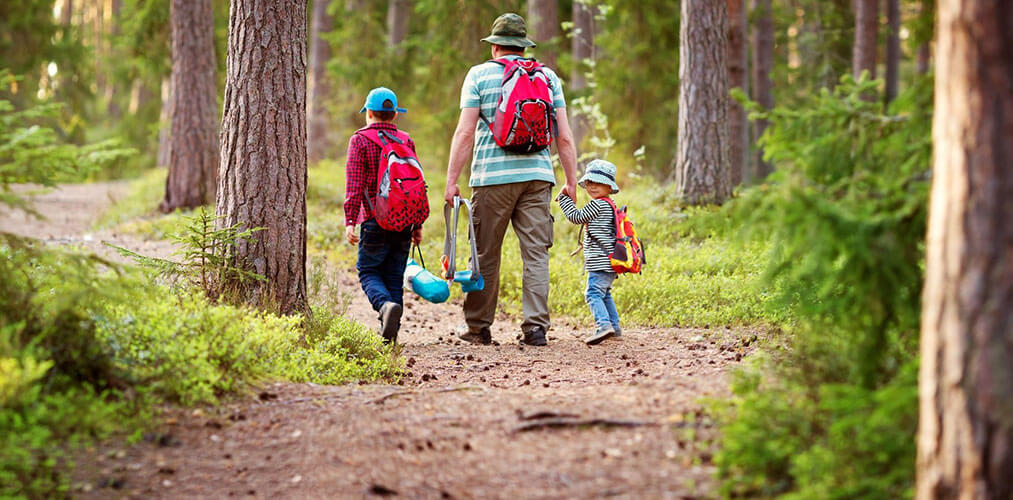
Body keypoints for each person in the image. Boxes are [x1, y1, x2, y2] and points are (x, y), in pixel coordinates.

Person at [444, 12, 579, 347]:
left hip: (492, 179)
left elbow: (465, 133)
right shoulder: (548, 77)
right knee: (536, 254)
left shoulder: (478, 75)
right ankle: (535, 328)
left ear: (495, 48)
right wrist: (571, 181)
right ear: (523, 46)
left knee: (486, 254)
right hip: (538, 177)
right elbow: (563, 137)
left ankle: (478, 327)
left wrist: (451, 180)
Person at [344, 87, 422, 345]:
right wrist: (417, 223)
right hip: (404, 220)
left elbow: (354, 184)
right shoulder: (405, 139)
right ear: (395, 116)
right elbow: (415, 185)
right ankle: (391, 336)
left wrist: (350, 221)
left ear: (368, 113)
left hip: (374, 219)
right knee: (393, 275)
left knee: (367, 270)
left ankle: (384, 306)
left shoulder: (360, 140)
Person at [556, 160, 623, 345]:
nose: (593, 187)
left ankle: (603, 326)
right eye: (590, 183)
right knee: (604, 293)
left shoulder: (598, 205)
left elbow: (576, 217)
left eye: (598, 183)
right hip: (610, 260)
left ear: (609, 186)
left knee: (592, 293)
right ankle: (615, 327)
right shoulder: (610, 204)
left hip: (600, 261)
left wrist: (563, 199)